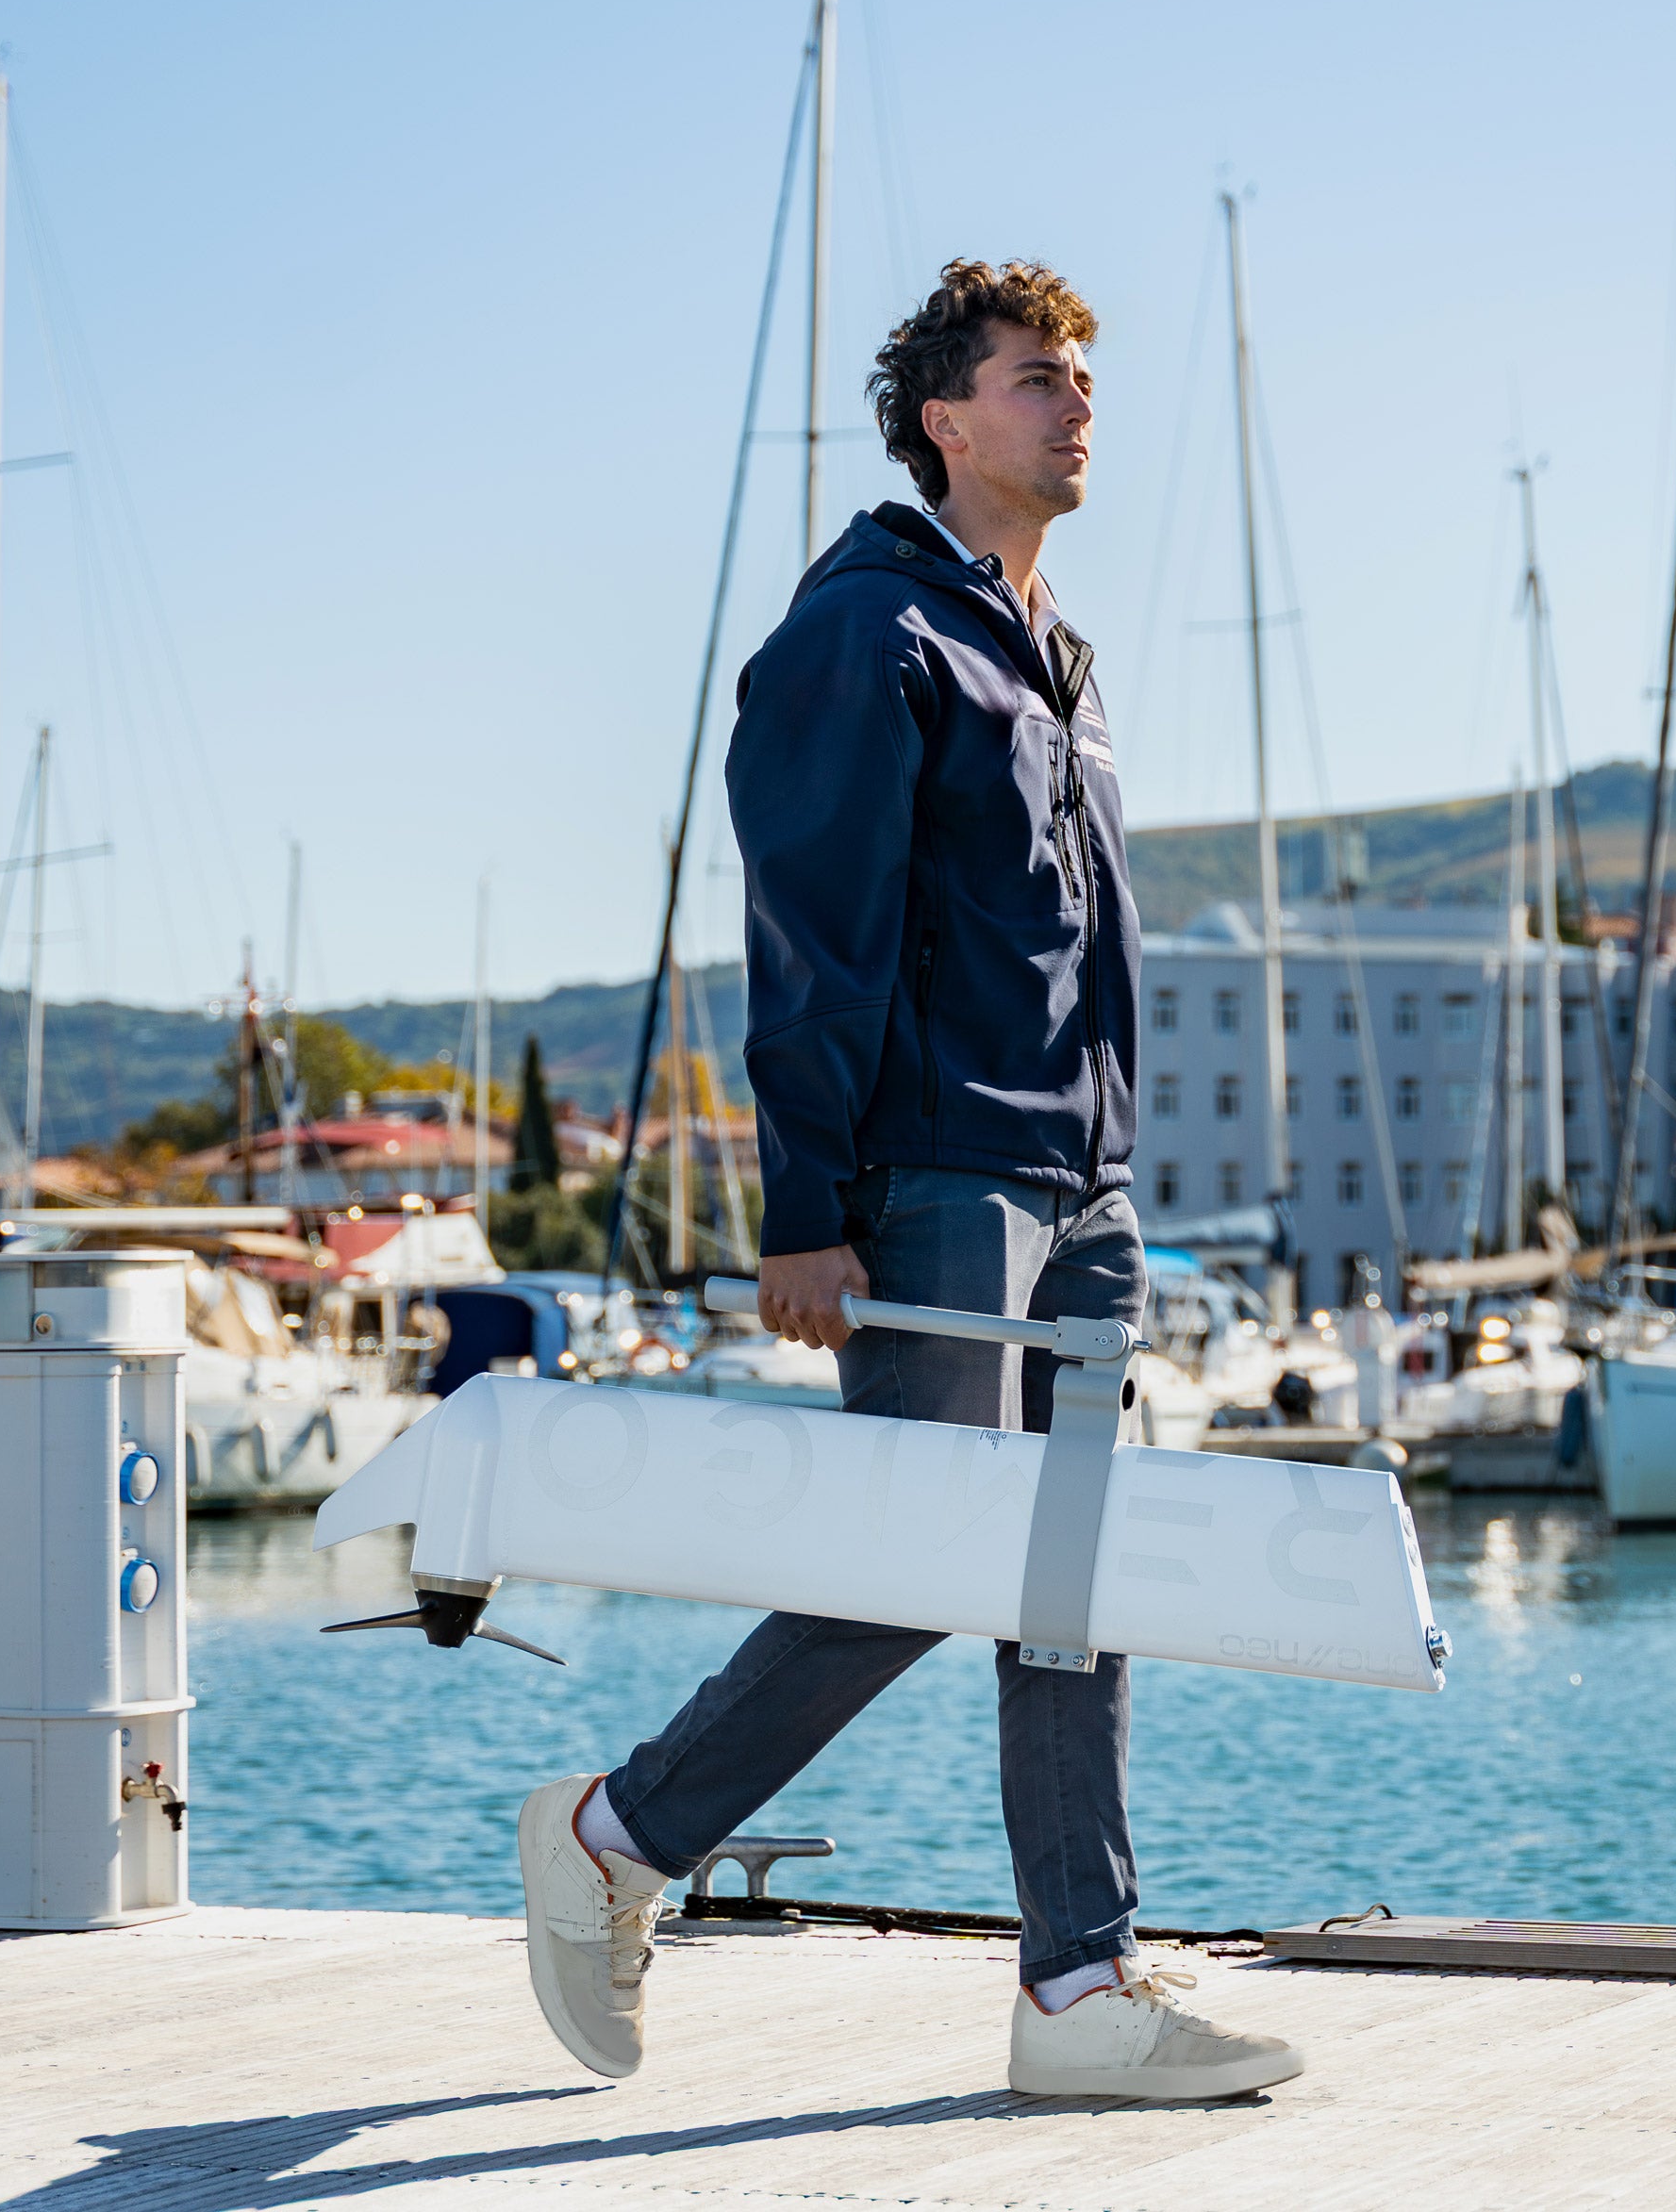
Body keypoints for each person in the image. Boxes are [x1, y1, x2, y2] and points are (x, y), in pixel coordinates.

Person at [516, 257, 1304, 2104]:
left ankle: (1080, 1990)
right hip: (937, 1173)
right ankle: (620, 1832)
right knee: (911, 1557)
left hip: (1082, 1186)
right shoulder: (870, 634)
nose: (1078, 401)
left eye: (1086, 375)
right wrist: (805, 1209)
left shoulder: (1053, 654)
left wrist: (1109, 1163)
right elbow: (814, 942)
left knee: (1075, 1582)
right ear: (948, 421)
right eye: (1039, 376)